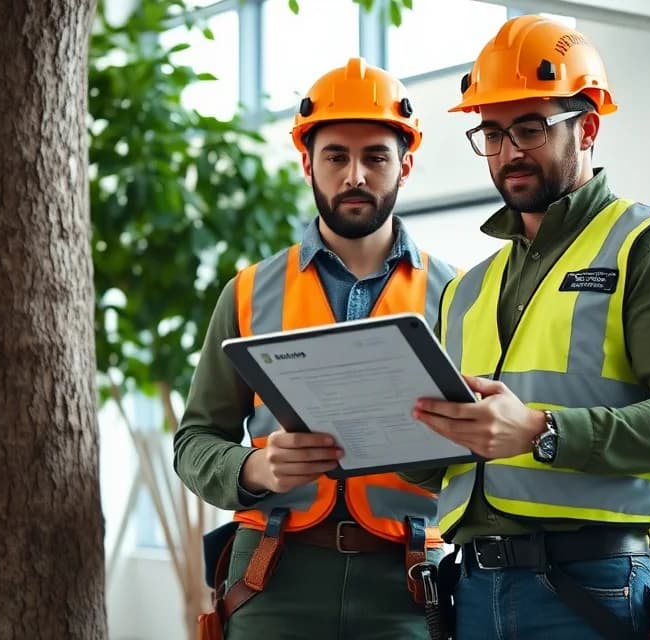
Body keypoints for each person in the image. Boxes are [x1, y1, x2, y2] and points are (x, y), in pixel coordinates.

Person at [405, 15, 650, 640]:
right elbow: (458, 466)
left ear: (588, 127)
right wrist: (375, 438)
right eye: (491, 133)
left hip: (589, 584)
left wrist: (541, 430)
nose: (508, 152)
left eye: (530, 127)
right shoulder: (467, 287)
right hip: (468, 587)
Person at [174, 58, 459, 640]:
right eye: (336, 156)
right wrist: (253, 467)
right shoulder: (249, 292)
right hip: (272, 577)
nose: (355, 175)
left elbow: (484, 447)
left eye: (376, 156)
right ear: (308, 162)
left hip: (408, 585)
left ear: (404, 164)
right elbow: (195, 440)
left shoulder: (457, 295)